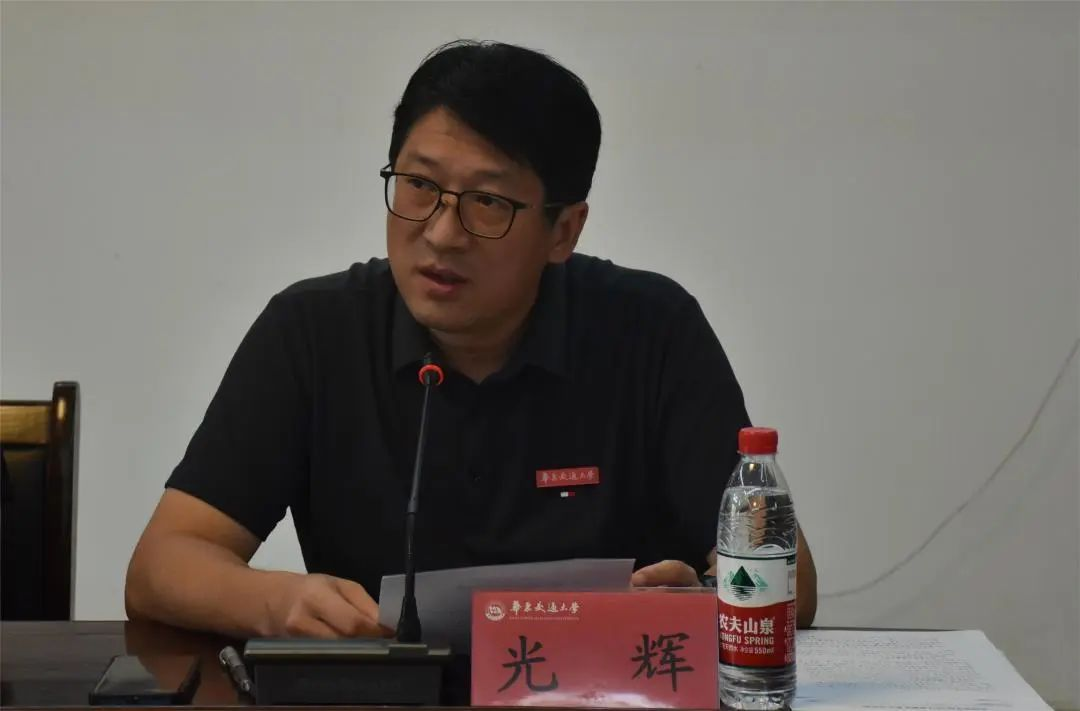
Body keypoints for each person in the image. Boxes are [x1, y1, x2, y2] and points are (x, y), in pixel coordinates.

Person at [125, 40, 817, 640]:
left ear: (563, 231)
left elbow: (793, 584)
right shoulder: (311, 331)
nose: (441, 232)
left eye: (488, 202)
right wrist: (275, 602)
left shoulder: (653, 330)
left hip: (598, 691)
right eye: (419, 185)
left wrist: (703, 597)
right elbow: (163, 563)